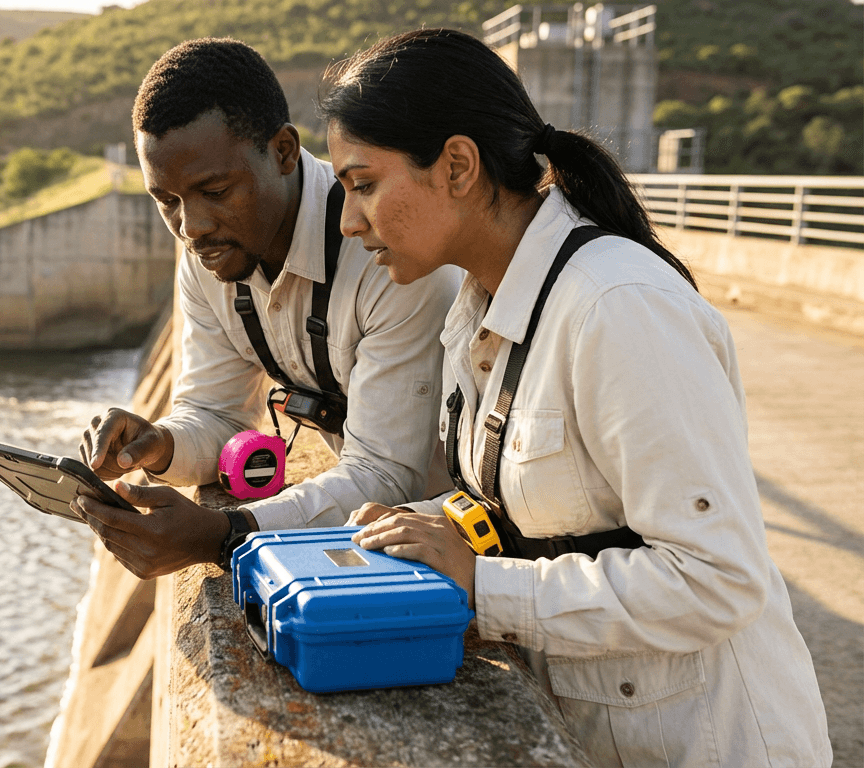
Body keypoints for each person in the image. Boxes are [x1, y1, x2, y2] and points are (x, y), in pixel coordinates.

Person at [318, 28, 831, 767]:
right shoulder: (477, 306)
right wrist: (419, 528)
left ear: (457, 166)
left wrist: (481, 586)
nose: (348, 220)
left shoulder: (617, 307)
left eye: (364, 184)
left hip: (711, 744)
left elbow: (720, 579)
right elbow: (540, 510)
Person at [71, 38, 460, 579]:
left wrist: (228, 533)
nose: (191, 227)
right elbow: (218, 413)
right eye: (167, 201)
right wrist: (158, 446)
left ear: (282, 152)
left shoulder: (387, 250)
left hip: (456, 542)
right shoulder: (210, 251)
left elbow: (386, 474)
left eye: (215, 190)